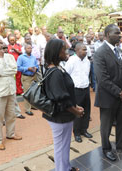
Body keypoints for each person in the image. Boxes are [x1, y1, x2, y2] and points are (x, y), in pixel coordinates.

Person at [94, 24, 122, 162]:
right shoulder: (100, 53)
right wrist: (119, 92)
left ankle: (121, 144)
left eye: (120, 33)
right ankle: (106, 149)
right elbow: (102, 79)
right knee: (106, 126)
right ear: (107, 35)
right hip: (108, 97)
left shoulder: (120, 51)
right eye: (116, 33)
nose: (120, 35)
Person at [43, 39, 84, 171]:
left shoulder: (57, 68)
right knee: (60, 148)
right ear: (56, 52)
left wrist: (75, 106)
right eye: (63, 49)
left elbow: (65, 94)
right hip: (59, 117)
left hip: (64, 116)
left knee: (65, 145)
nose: (66, 51)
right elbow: (61, 99)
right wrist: (76, 111)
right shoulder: (54, 72)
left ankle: (66, 167)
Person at [65, 43, 92, 143]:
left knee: (86, 110)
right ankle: (76, 133)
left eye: (86, 50)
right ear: (77, 50)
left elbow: (87, 75)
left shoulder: (87, 61)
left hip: (85, 88)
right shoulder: (72, 60)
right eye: (84, 49)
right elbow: (66, 75)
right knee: (77, 111)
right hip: (76, 90)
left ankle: (84, 130)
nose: (86, 51)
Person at [17, 44, 39, 116]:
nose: (30, 49)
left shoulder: (33, 57)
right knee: (27, 93)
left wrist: (36, 68)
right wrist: (27, 68)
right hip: (26, 77)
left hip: (34, 76)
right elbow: (18, 67)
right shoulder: (21, 57)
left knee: (33, 92)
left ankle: (32, 106)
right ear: (25, 49)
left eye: (31, 48)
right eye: (28, 48)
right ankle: (27, 109)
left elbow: (37, 65)